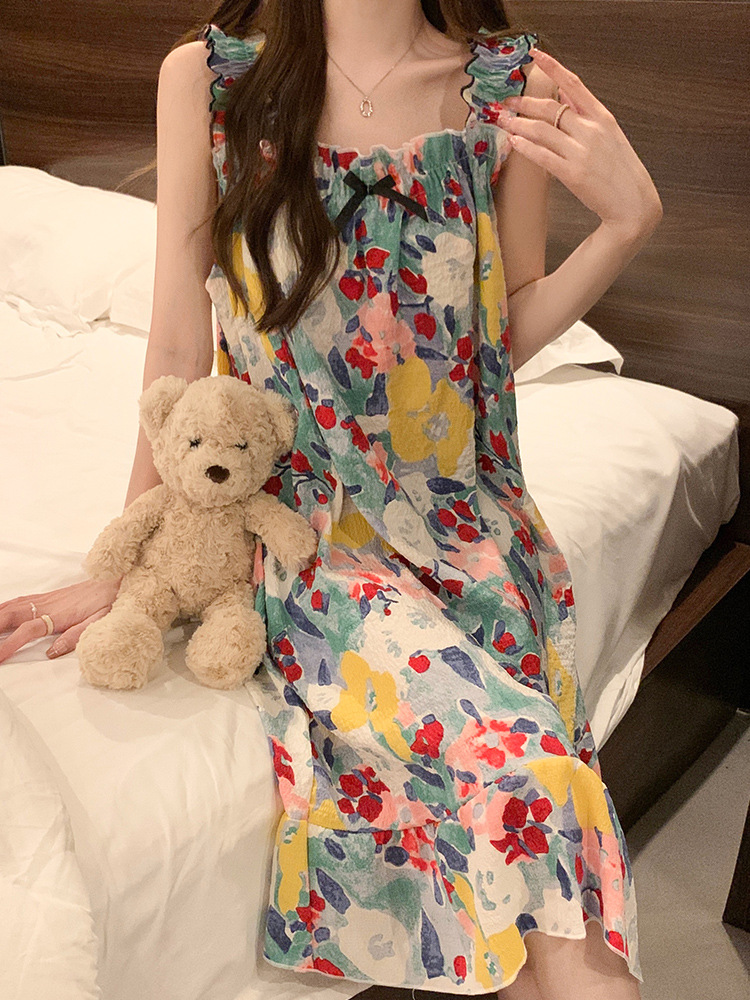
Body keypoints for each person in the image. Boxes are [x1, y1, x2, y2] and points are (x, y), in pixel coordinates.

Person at [0, 0, 662, 995]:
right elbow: (178, 344)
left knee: (527, 855)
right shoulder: (209, 83)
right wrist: (132, 549)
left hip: (467, 526)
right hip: (313, 541)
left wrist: (627, 225)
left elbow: (497, 342)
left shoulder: (504, 88)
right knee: (528, 777)